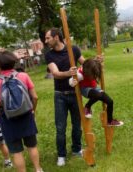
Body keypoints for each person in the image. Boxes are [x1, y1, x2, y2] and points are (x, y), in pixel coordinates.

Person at [0, 51, 43, 172]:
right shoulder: (23, 76)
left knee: (16, 152)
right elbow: (35, 97)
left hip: (8, 119)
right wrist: (32, 110)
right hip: (26, 115)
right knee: (32, 146)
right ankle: (38, 169)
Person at [44, 28, 85, 167]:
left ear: (56, 37)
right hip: (60, 95)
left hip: (75, 93)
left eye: (48, 38)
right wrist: (69, 73)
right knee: (60, 127)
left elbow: (85, 64)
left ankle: (77, 149)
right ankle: (61, 155)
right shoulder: (49, 55)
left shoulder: (73, 50)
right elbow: (55, 73)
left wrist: (96, 63)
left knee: (77, 125)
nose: (46, 41)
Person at [69, 58, 124, 126]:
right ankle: (87, 107)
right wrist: (72, 82)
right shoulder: (80, 75)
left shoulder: (91, 66)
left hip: (94, 88)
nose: (94, 77)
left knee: (110, 101)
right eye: (93, 75)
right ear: (88, 72)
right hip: (85, 89)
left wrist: (100, 62)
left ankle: (110, 121)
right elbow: (71, 81)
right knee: (98, 95)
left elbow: (94, 62)